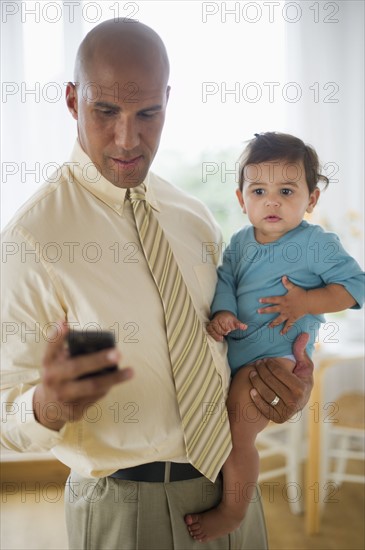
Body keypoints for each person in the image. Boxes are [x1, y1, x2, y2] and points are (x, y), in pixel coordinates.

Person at [1, 22, 314, 550]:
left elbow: (229, 345)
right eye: (106, 112)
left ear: (167, 101)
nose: (128, 138)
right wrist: (47, 406)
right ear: (73, 101)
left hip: (235, 493)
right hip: (125, 511)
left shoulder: (192, 217)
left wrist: (284, 387)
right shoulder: (31, 240)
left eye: (147, 113)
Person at [185, 132, 365, 542]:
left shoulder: (316, 244)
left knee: (238, 434)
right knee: (216, 427)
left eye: (286, 190)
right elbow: (226, 279)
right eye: (259, 190)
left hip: (276, 360)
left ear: (311, 199)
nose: (272, 201)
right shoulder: (239, 243)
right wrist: (225, 311)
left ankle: (233, 511)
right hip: (235, 356)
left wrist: (306, 302)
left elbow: (356, 286)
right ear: (241, 198)